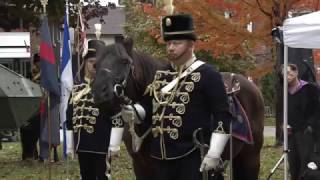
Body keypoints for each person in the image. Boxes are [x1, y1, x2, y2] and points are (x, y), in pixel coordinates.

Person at [121, 14, 232, 180]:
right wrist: (135, 111)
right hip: (160, 157)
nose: (171, 47)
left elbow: (222, 115)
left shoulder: (208, 74)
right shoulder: (162, 76)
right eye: (169, 43)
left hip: (192, 157)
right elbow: (149, 106)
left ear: (191, 45)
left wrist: (215, 152)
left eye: (177, 43)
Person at [66, 39, 113, 180]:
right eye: (90, 61)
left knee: (102, 176)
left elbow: (115, 116)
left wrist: (113, 144)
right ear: (85, 63)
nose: (94, 65)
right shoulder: (77, 88)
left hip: (101, 144)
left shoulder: (107, 88)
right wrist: (70, 144)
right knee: (86, 176)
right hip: (82, 144)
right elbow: (69, 117)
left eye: (97, 62)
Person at [281, 63, 320, 180]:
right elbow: (282, 111)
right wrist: (282, 125)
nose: (287, 76)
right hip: (291, 133)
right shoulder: (284, 91)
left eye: (289, 72)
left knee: (306, 163)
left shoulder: (310, 88)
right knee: (293, 163)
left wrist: (310, 126)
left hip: (306, 133)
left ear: (296, 72)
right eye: (284, 74)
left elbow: (317, 110)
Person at [20, 53, 41, 160]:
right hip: (30, 105)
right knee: (26, 129)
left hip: (41, 105)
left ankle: (33, 151)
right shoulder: (30, 74)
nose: (38, 65)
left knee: (36, 131)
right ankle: (29, 152)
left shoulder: (45, 75)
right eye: (37, 62)